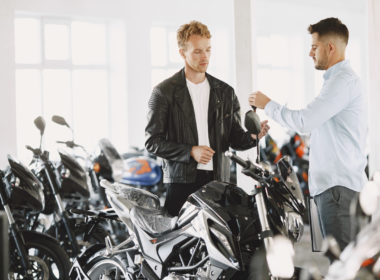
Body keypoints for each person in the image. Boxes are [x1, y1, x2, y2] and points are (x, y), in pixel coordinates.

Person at [249, 17, 367, 250]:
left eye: (314, 47)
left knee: (342, 264)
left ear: (330, 47)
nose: (310, 53)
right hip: (334, 189)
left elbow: (304, 120)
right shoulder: (337, 81)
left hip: (338, 192)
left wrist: (268, 104)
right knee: (340, 261)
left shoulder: (342, 81)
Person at [145, 20, 269, 216]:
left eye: (208, 50)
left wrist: (253, 137)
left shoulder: (225, 92)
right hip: (181, 183)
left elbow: (234, 138)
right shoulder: (163, 92)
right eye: (197, 51)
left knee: (222, 243)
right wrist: (190, 151)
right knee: (181, 243)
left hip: (219, 181)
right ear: (182, 53)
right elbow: (152, 142)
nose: (205, 56)